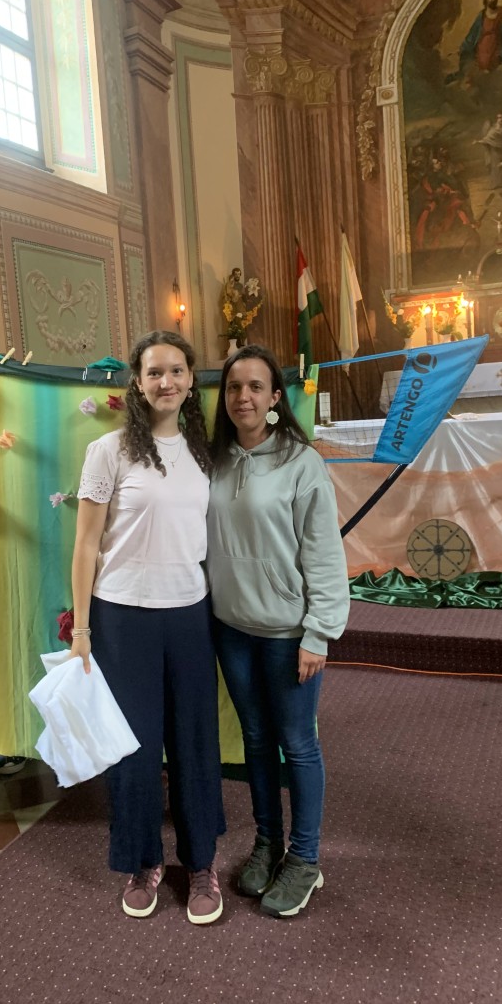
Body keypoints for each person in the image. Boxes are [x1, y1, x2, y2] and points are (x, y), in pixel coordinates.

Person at [70, 329, 225, 924]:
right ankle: (143, 860)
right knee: (133, 749)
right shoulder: (108, 451)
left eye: (177, 371)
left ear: (190, 380)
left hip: (189, 614)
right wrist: (82, 630)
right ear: (137, 382)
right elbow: (86, 545)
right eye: (155, 372)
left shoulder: (205, 452)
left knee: (194, 743)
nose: (167, 382)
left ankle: (201, 861)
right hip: (122, 617)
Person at [206, 345, 349, 919]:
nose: (243, 396)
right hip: (232, 628)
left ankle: (305, 858)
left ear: (274, 397)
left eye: (255, 387)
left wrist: (319, 632)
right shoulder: (213, 460)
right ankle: (267, 843)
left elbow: (324, 553)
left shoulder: (301, 462)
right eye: (233, 387)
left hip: (288, 632)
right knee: (257, 741)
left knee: (298, 743)